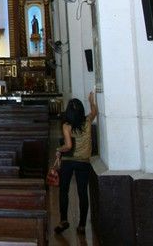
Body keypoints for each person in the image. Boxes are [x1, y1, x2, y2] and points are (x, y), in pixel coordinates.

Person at [54, 91, 98, 235]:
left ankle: (64, 220)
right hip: (83, 162)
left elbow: (68, 146)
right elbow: (94, 111)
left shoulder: (66, 125)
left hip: (68, 161)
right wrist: (91, 100)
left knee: (64, 190)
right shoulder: (87, 121)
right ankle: (82, 225)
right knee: (82, 192)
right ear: (81, 110)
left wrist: (59, 150)